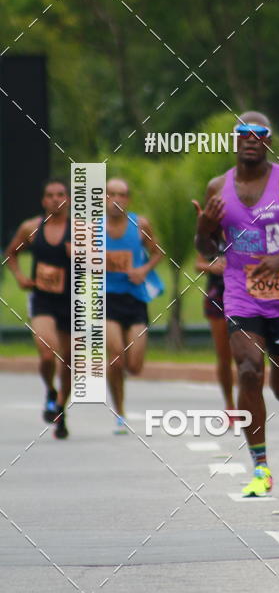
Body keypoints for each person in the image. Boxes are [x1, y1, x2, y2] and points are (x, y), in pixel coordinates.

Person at [194, 111, 279, 496]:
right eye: (243, 133)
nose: (251, 139)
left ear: (268, 142)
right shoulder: (217, 188)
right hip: (240, 293)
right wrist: (203, 230)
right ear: (236, 141)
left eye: (259, 134)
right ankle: (260, 466)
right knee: (249, 370)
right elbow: (206, 247)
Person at [5, 179, 71, 438]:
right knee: (46, 355)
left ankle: (61, 410)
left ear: (68, 199)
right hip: (42, 299)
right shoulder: (31, 229)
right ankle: (50, 391)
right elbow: (12, 254)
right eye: (50, 195)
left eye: (61, 194)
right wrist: (21, 278)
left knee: (67, 363)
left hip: (71, 301)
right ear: (44, 201)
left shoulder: (81, 230)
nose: (56, 199)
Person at [105, 178, 164, 434]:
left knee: (135, 366)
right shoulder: (93, 228)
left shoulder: (140, 225)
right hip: (105, 299)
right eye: (111, 194)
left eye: (122, 194)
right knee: (116, 359)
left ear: (128, 199)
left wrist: (143, 269)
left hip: (135, 299)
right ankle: (120, 412)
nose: (117, 199)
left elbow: (158, 252)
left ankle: (121, 390)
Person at [195, 248, 236, 421]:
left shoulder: (248, 225)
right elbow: (198, 264)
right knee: (224, 355)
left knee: (248, 354)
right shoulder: (210, 229)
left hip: (246, 292)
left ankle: (250, 401)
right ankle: (230, 405)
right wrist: (212, 267)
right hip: (218, 294)